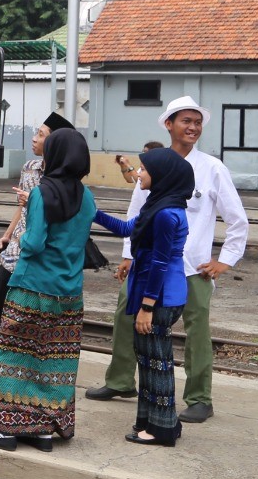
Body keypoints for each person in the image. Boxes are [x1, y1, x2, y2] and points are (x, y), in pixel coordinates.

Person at [85, 96, 248, 423]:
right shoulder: (154, 163)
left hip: (193, 268)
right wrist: (129, 255)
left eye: (198, 122)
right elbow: (136, 215)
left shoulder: (213, 169)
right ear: (169, 125)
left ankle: (200, 398)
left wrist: (224, 261)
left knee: (196, 329)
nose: (193, 127)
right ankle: (120, 381)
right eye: (186, 121)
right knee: (124, 316)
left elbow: (238, 220)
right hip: (147, 263)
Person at [0, 128, 96, 451]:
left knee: (14, 355)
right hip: (69, 291)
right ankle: (41, 429)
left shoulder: (41, 192)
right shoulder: (88, 197)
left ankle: (7, 429)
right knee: (51, 360)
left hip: (31, 286)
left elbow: (35, 242)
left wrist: (22, 236)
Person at [0, 112, 72, 388]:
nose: (34, 138)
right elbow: (21, 208)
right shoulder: (30, 167)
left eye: (41, 134)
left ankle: (18, 375)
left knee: (25, 323)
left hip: (38, 258)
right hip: (15, 254)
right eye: (37, 132)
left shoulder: (64, 177)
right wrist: (7, 235)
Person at [92, 148, 193, 446]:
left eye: (144, 170)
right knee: (148, 359)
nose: (138, 174)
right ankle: (153, 421)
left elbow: (160, 263)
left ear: (161, 175)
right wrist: (93, 213)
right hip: (158, 292)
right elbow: (126, 228)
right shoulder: (158, 205)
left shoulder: (164, 214)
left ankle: (162, 428)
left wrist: (147, 306)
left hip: (160, 296)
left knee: (157, 361)